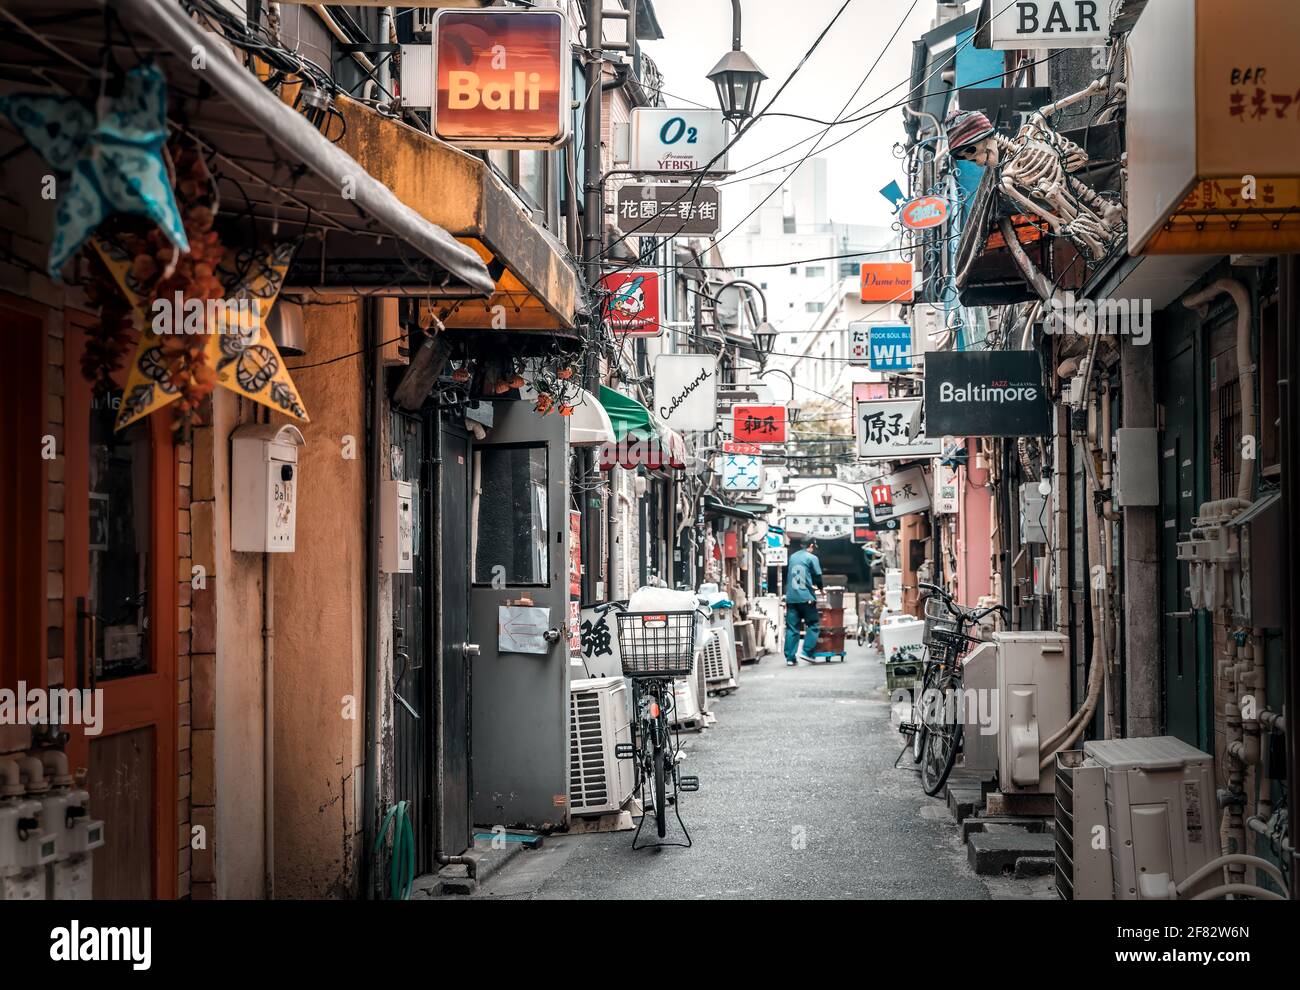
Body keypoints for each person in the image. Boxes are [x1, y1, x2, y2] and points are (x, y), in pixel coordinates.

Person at [784, 538, 824, 665]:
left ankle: (790, 658)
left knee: (792, 628)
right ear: (811, 545)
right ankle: (807, 652)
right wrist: (821, 589)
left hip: (791, 598)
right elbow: (818, 577)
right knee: (813, 624)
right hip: (806, 598)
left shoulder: (792, 557)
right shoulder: (812, 558)